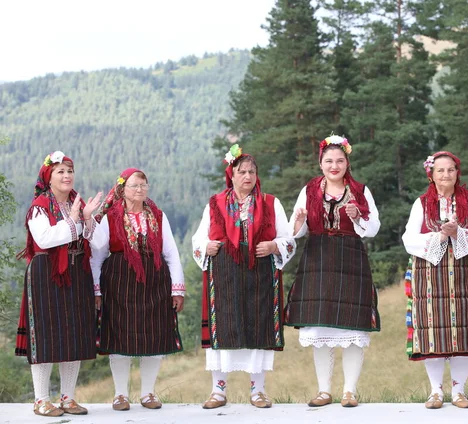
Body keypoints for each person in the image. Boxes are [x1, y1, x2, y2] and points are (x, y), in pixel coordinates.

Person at [192, 144, 296, 409]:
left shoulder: (270, 203)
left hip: (260, 276)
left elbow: (288, 239)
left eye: (252, 171)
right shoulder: (215, 203)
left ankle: (257, 390)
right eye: (241, 172)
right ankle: (218, 390)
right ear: (232, 174)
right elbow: (199, 238)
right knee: (223, 328)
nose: (247, 176)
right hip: (225, 276)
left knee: (258, 327)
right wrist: (207, 247)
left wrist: (274, 246)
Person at [285, 135, 380, 408]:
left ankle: (349, 391)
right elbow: (295, 231)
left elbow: (373, 228)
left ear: (347, 162)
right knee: (320, 326)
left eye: (339, 160)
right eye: (329, 161)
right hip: (317, 258)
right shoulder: (310, 189)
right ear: (320, 163)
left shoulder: (361, 190)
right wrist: (300, 221)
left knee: (352, 325)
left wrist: (357, 216)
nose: (334, 165)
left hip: (350, 258)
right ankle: (324, 390)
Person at [402, 151, 468, 409]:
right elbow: (409, 239)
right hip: (429, 274)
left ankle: (459, 391)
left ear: (458, 173)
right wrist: (439, 238)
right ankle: (435, 391)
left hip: (464, 271)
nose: (446, 175)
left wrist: (458, 233)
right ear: (431, 175)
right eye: (440, 171)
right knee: (432, 331)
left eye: (450, 170)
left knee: (463, 331)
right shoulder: (421, 203)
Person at [15, 151, 104, 417]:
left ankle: (68, 398)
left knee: (73, 334)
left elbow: (97, 242)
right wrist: (76, 219)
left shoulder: (78, 202)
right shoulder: (40, 206)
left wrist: (87, 218)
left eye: (69, 171)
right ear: (49, 176)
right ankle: (41, 399)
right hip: (46, 273)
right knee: (45, 335)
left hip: (77, 272)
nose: (67, 176)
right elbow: (45, 238)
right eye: (60, 172)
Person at [91, 168, 185, 411]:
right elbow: (97, 256)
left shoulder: (157, 215)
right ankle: (120, 394)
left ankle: (148, 393)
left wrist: (177, 289)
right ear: (123, 189)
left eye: (144, 185)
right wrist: (97, 291)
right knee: (119, 338)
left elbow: (171, 253)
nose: (140, 190)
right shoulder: (110, 216)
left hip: (155, 284)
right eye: (134, 186)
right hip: (119, 284)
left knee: (153, 337)